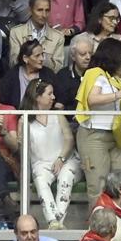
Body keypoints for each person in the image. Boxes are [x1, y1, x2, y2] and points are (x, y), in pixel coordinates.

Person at [74, 38, 121, 196]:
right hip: (94, 135)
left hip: (116, 136)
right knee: (98, 185)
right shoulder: (95, 73)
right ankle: (100, 221)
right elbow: (92, 99)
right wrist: (119, 94)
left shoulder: (114, 79)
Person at [20, 79, 81, 228]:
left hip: (66, 160)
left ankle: (58, 221)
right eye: (50, 94)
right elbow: (21, 145)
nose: (54, 97)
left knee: (66, 177)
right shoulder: (24, 119)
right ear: (37, 97)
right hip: (41, 163)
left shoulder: (58, 115)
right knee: (40, 180)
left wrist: (61, 159)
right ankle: (52, 221)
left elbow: (68, 138)